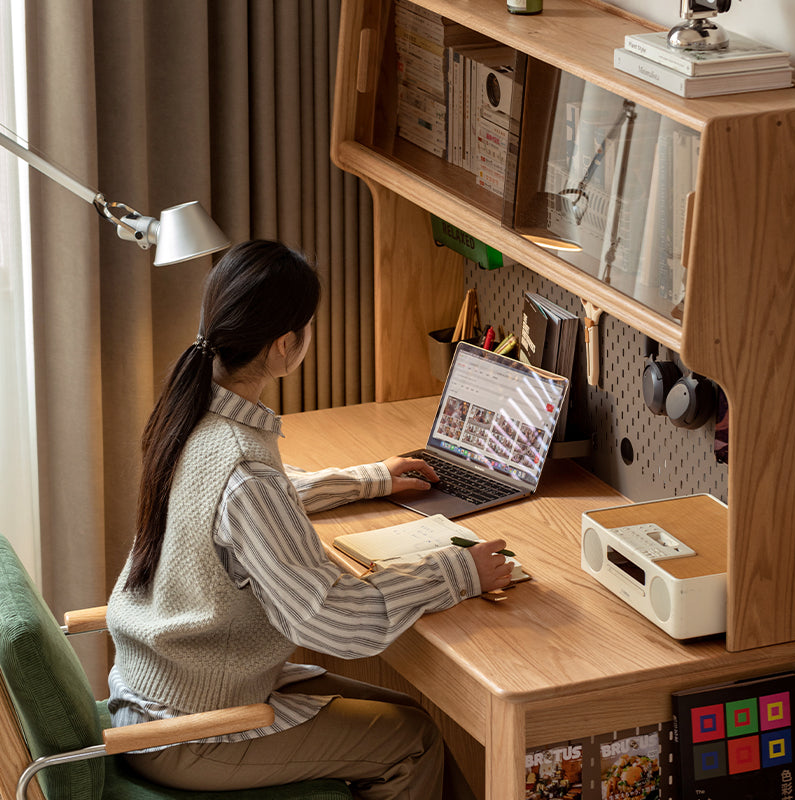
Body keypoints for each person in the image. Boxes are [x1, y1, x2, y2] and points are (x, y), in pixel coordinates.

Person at [106, 239, 513, 800]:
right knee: (412, 738)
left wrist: (371, 478)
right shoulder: (243, 466)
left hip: (161, 690)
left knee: (401, 706)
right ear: (285, 346)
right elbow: (330, 619)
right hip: (189, 729)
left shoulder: (193, 415)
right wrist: (457, 573)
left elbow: (261, 500)